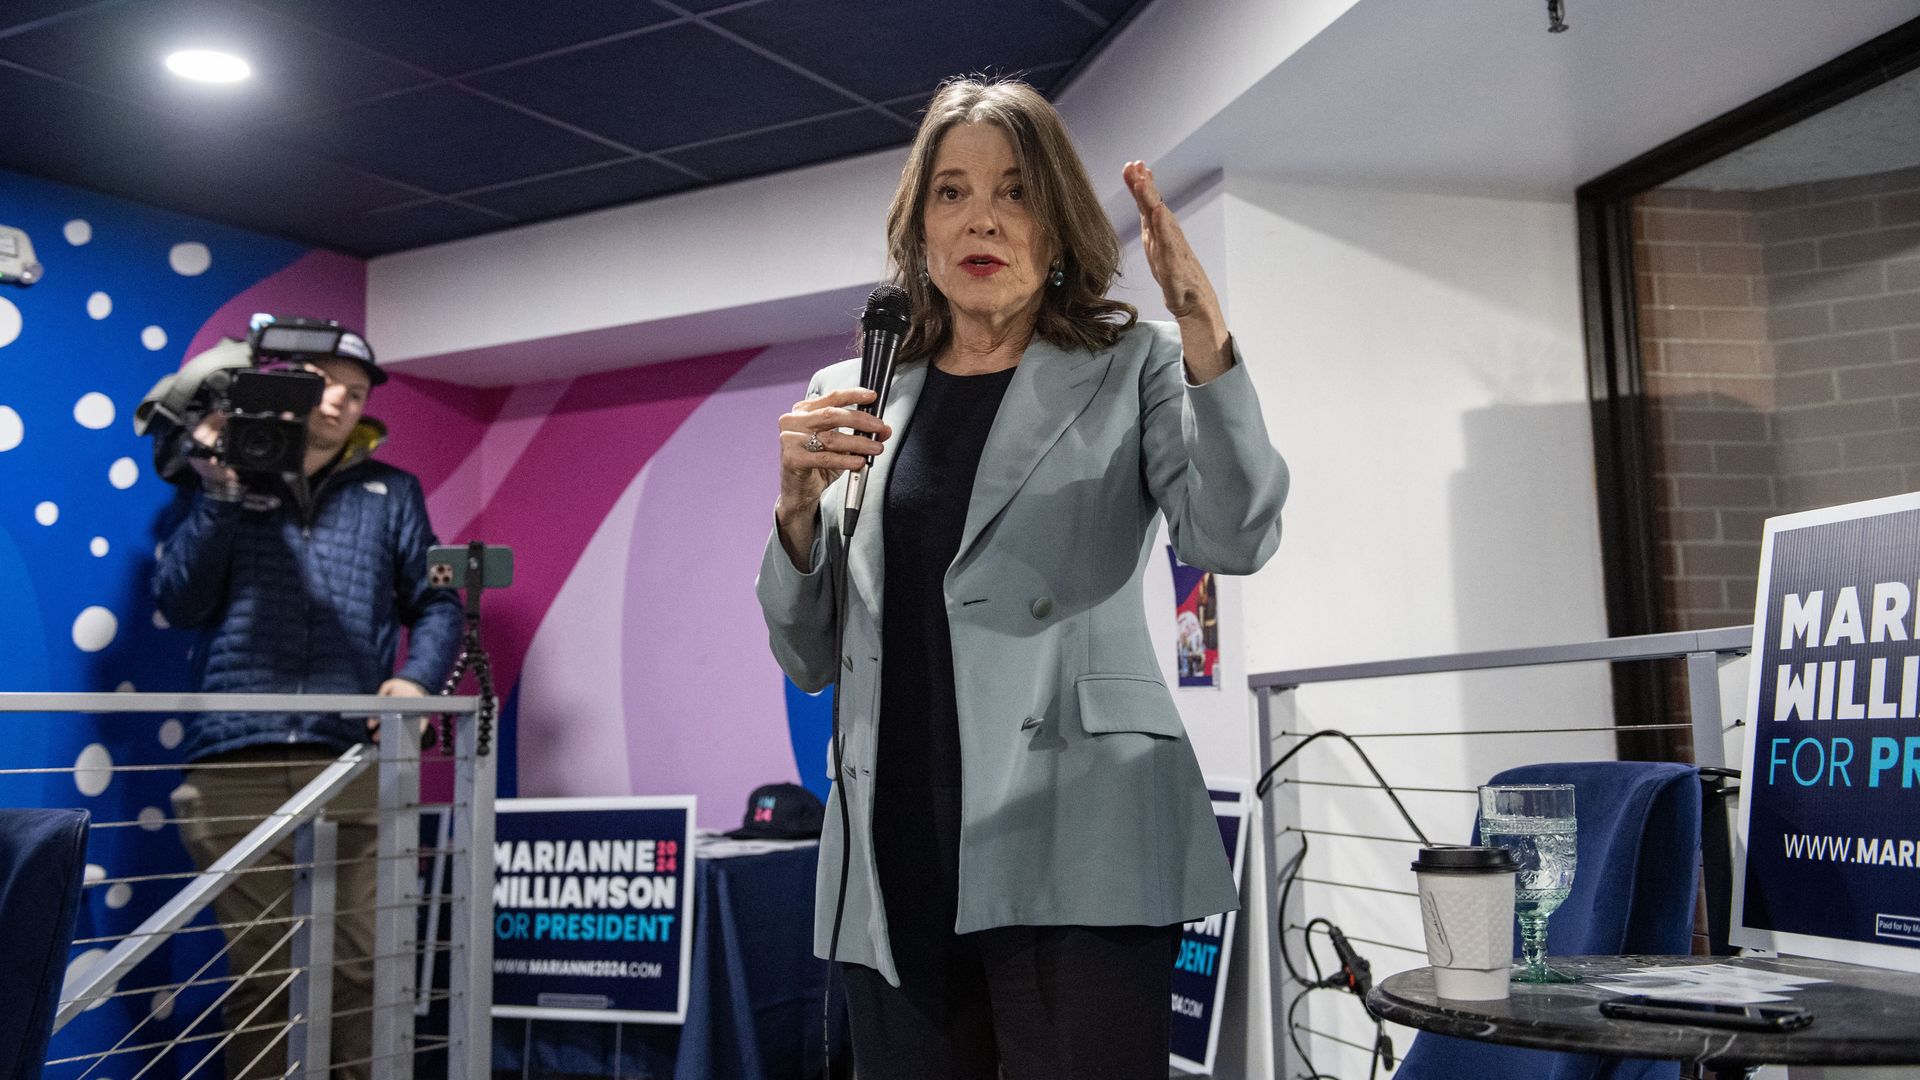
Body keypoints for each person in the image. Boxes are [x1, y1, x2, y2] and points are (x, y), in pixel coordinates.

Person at [756, 77, 1288, 1079]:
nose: (982, 219)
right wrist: (792, 513)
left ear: (1059, 223)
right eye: (950, 192)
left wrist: (1206, 337)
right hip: (892, 849)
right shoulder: (852, 392)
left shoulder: (1137, 363)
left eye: (1014, 191)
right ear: (918, 227)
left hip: (1079, 831)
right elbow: (809, 655)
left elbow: (1234, 535)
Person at [154, 341, 461, 1079]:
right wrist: (221, 492)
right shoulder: (229, 473)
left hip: (351, 756)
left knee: (362, 964)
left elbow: (439, 600)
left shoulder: (392, 490)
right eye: (325, 384)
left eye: (357, 393)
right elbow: (180, 601)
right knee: (265, 974)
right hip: (235, 758)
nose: (340, 401)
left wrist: (416, 681)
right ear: (288, 388)